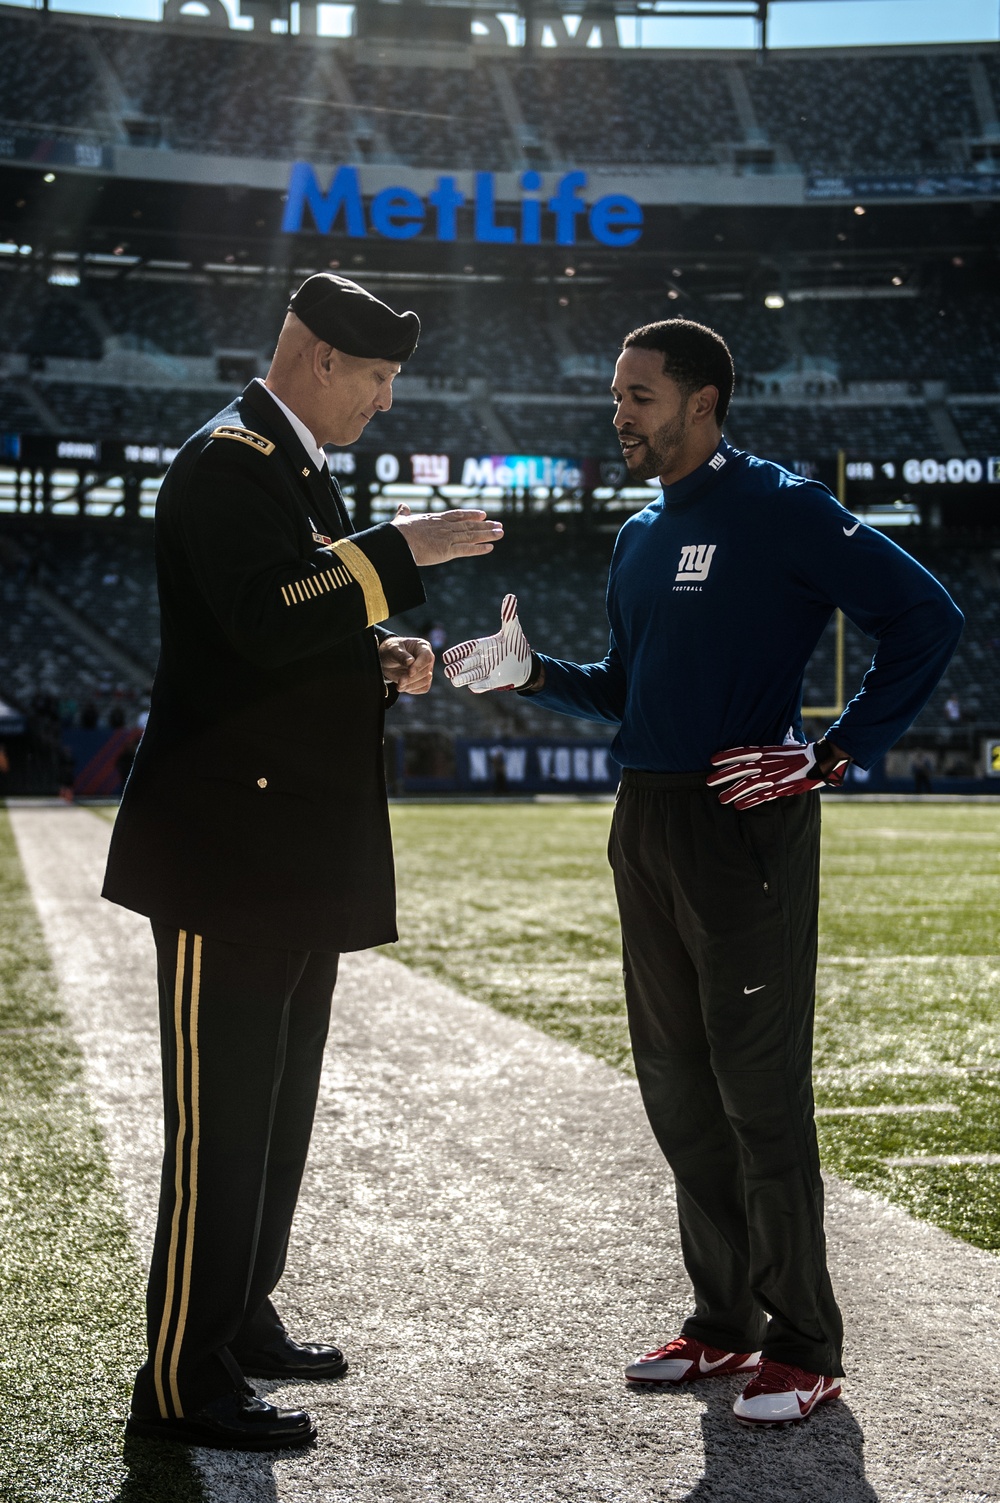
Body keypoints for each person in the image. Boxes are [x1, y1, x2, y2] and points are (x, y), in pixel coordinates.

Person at [443, 318, 962, 1427]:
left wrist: (829, 754)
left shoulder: (781, 508)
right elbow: (632, 690)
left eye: (637, 396)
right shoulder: (636, 535)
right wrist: (533, 674)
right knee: (677, 1088)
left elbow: (926, 617)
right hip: (645, 817)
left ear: (703, 402)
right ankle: (724, 1324)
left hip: (744, 828)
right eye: (616, 395)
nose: (617, 415)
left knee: (757, 1094)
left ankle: (805, 1343)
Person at [102, 273, 503, 1452]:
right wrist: (397, 551)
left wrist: (372, 653)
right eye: (376, 380)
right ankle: (180, 1379)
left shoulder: (293, 470)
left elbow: (279, 645)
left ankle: (237, 1314)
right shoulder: (227, 463)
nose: (383, 403)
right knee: (221, 1122)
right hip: (225, 857)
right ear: (320, 359)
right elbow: (263, 614)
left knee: (272, 1116)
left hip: (285, 853)